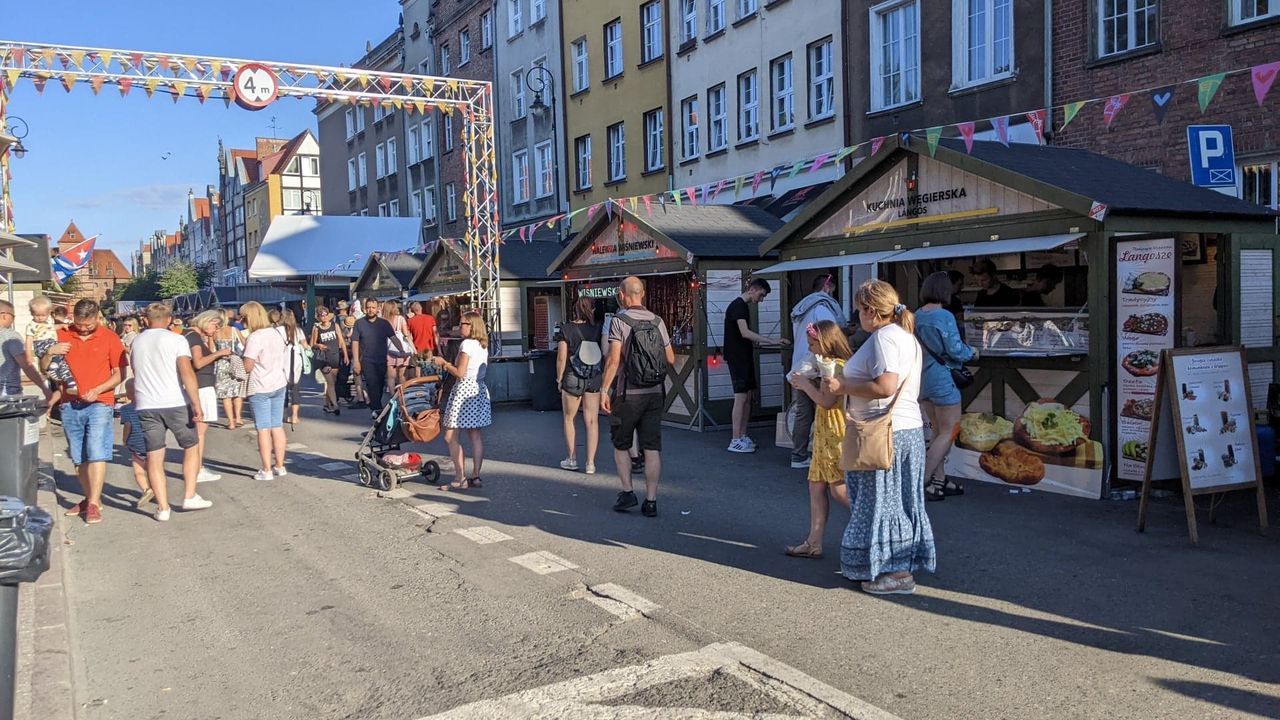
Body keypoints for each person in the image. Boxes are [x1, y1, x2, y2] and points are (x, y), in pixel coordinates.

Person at [823, 280, 935, 595]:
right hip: (904, 429)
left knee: (882, 502)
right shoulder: (905, 337)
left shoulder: (885, 337)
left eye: (860, 309)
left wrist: (842, 387)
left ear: (871, 310)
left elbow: (885, 386)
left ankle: (897, 573)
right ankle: (893, 567)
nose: (858, 315)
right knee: (896, 500)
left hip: (885, 431)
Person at [128, 303, 212, 522]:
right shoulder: (176, 340)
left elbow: (136, 370)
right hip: (174, 401)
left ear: (146, 320)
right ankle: (189, 495)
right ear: (169, 320)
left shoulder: (137, 341)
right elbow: (186, 372)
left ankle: (163, 508)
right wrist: (196, 403)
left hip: (147, 404)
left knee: (155, 455)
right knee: (191, 446)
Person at [600, 277, 675, 517]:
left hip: (627, 394)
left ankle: (627, 492)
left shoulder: (619, 321)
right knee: (652, 447)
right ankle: (651, 501)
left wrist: (604, 390)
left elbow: (613, 360)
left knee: (621, 444)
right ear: (642, 294)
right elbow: (670, 358)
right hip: (654, 393)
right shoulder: (657, 320)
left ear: (622, 295)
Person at [45, 300, 123, 525]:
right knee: (78, 456)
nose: (84, 329)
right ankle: (90, 498)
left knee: (96, 449)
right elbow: (45, 368)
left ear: (97, 317)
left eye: (88, 325)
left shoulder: (110, 337)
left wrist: (98, 389)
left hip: (100, 402)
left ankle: (93, 503)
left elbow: (119, 374)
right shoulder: (62, 335)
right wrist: (50, 352)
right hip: (70, 403)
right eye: (79, 324)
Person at [784, 320, 852, 559]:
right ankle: (813, 542)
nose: (811, 348)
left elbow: (827, 401)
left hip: (835, 432)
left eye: (813, 343)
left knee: (839, 490)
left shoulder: (834, 367)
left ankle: (873, 524)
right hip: (826, 431)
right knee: (816, 485)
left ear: (825, 343)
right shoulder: (830, 365)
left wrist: (804, 384)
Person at [916, 272, 977, 502]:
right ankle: (923, 479)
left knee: (936, 433)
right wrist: (972, 352)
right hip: (944, 380)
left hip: (923, 380)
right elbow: (955, 349)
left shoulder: (916, 316)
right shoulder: (945, 316)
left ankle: (939, 482)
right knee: (949, 431)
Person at [787, 274, 847, 469]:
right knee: (826, 410)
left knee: (804, 413)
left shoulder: (802, 308)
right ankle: (826, 455)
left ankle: (799, 454)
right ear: (828, 287)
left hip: (800, 364)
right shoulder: (823, 308)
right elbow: (830, 334)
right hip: (818, 366)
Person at [724, 277, 788, 453]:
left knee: (749, 396)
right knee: (741, 397)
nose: (761, 300)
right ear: (752, 289)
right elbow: (744, 332)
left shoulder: (742, 306)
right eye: (761, 295)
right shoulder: (738, 306)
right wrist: (772, 341)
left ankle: (742, 434)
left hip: (744, 355)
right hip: (737, 357)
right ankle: (735, 438)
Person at [437, 310, 492, 490]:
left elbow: (460, 373)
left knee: (450, 435)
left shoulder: (467, 344)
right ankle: (476, 476)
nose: (460, 327)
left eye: (463, 324)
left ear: (472, 325)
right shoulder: (482, 345)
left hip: (464, 390)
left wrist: (444, 363)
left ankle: (459, 477)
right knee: (475, 434)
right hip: (479, 388)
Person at [240, 302, 289, 481]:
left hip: (260, 386)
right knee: (277, 426)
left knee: (263, 428)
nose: (241, 320)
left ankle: (266, 469)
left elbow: (248, 366)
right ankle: (280, 465)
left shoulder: (255, 337)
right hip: (279, 382)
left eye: (243, 317)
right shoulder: (276, 333)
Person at [556, 297, 603, 473]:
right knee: (592, 421)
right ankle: (590, 463)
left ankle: (572, 458)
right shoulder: (597, 328)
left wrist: (559, 378)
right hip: (593, 376)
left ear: (575, 309)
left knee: (569, 418)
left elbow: (561, 357)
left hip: (572, 376)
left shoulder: (566, 329)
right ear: (592, 309)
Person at [187, 310, 230, 483]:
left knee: (199, 429)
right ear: (207, 321)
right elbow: (198, 362)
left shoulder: (191, 335)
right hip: (202, 386)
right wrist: (219, 354)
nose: (216, 329)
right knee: (200, 430)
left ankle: (198, 466)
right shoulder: (194, 338)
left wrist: (210, 340)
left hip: (200, 385)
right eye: (215, 325)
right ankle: (197, 468)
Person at [351, 297, 401, 416]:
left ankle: (376, 405)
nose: (371, 310)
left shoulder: (384, 323)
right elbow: (355, 342)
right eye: (368, 308)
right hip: (367, 360)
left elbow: (393, 338)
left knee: (379, 384)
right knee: (371, 383)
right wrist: (356, 361)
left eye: (373, 308)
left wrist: (402, 350)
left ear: (378, 308)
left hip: (381, 359)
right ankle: (377, 409)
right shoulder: (359, 323)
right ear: (364, 309)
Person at [25, 296, 74, 405]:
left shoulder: (48, 322)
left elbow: (53, 327)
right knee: (56, 348)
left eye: (43, 315)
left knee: (61, 356)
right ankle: (54, 368)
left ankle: (60, 373)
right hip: (41, 345)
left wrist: (62, 325)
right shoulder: (31, 325)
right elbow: (28, 340)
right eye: (37, 315)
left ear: (49, 313)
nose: (40, 318)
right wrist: (28, 354)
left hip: (50, 343)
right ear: (32, 313)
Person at [0, 300, 50, 400]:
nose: (13, 320)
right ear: (4, 315)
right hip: (8, 393)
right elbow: (26, 366)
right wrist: (44, 389)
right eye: (13, 316)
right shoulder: (10, 336)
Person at [117, 380, 154, 508]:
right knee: (153, 470)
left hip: (136, 444)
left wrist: (124, 440)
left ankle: (146, 490)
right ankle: (158, 490)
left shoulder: (126, 409)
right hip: (152, 442)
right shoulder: (149, 406)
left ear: (128, 394)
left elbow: (128, 426)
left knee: (138, 471)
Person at [311, 306, 349, 415]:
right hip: (324, 358)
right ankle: (335, 406)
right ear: (318, 317)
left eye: (325, 314)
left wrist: (345, 355)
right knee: (331, 382)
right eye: (321, 315)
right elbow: (312, 344)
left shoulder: (335, 326)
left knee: (332, 381)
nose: (324, 317)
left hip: (335, 356)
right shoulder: (316, 328)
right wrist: (318, 345)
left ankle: (327, 404)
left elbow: (341, 341)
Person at [214, 309, 247, 429]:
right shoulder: (234, 330)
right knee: (237, 392)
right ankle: (238, 417)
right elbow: (245, 343)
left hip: (221, 364)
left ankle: (230, 422)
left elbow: (212, 350)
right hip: (235, 363)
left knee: (225, 395)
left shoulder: (215, 333)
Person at [278, 308, 308, 426]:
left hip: (282, 361)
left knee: (283, 389)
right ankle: (295, 416)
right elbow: (305, 346)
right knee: (296, 389)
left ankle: (284, 414)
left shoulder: (278, 331)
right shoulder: (298, 330)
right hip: (296, 362)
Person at [383, 300, 412, 393]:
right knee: (402, 375)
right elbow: (406, 334)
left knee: (390, 377)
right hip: (401, 350)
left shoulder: (383, 320)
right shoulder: (400, 319)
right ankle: (403, 395)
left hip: (388, 349)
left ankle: (392, 397)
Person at [340, 314, 365, 408]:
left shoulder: (352, 333)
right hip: (365, 356)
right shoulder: (362, 330)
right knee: (364, 379)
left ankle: (361, 399)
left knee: (357, 377)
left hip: (358, 357)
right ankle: (366, 399)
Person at [406, 300, 437, 367]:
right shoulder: (431, 318)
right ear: (421, 308)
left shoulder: (410, 321)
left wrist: (414, 350)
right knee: (429, 368)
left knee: (418, 369)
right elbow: (435, 334)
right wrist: (439, 349)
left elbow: (408, 337)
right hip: (429, 349)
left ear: (412, 311)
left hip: (417, 349)